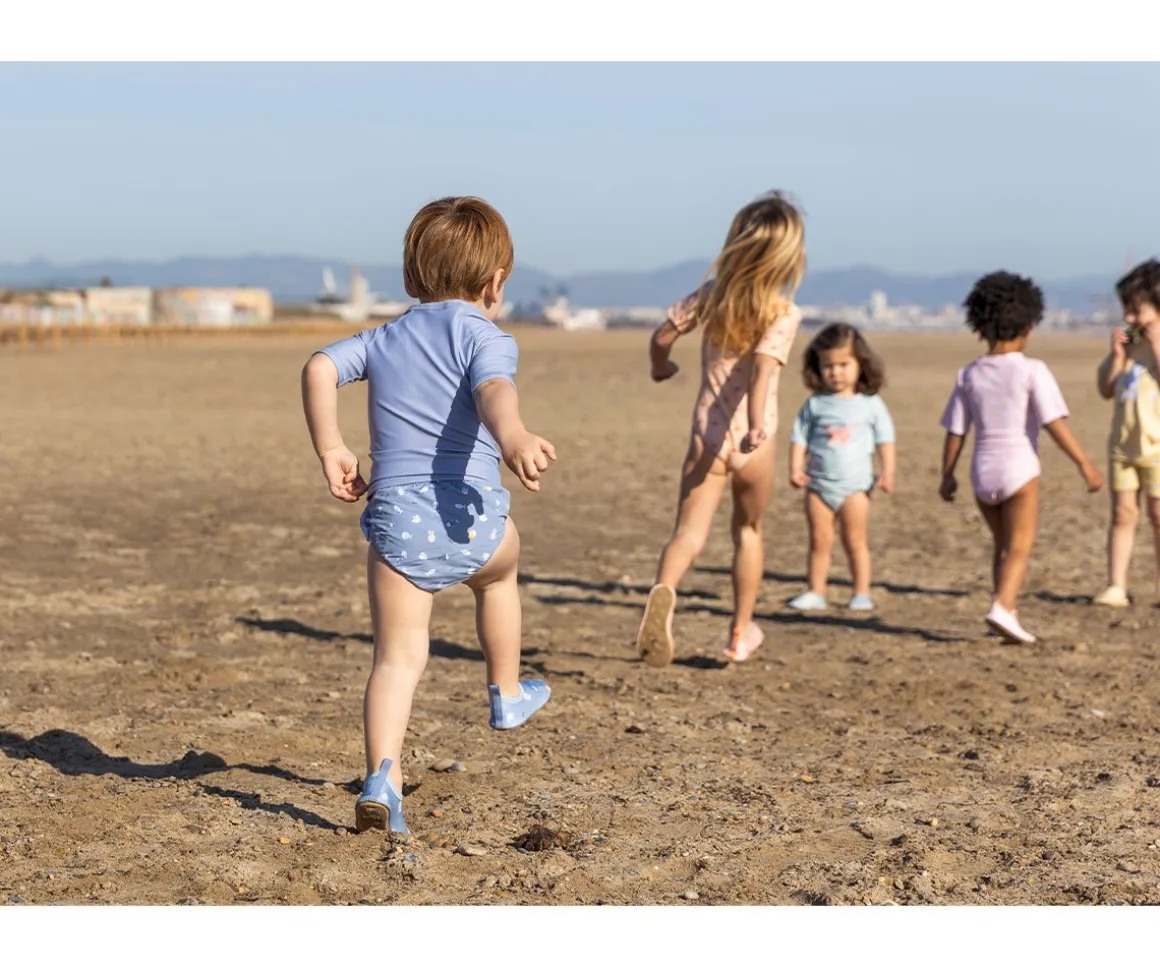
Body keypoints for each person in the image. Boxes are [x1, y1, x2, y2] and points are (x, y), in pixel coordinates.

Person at [300, 196, 555, 835]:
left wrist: (332, 448)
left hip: (398, 526)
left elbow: (320, 366)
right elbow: (493, 391)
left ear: (411, 279)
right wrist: (514, 436)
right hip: (473, 522)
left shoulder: (383, 338)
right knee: (499, 578)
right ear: (496, 283)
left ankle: (382, 780)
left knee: (395, 659)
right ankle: (506, 692)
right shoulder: (485, 336)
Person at [637, 191, 806, 666]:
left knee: (688, 534)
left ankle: (664, 591)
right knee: (748, 531)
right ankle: (739, 632)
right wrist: (754, 428)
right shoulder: (783, 312)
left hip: (706, 437)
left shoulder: (712, 296)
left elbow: (662, 336)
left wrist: (660, 366)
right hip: (755, 443)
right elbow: (763, 372)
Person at [938, 271, 1104, 643]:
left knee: (1002, 544)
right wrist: (1084, 464)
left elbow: (956, 430)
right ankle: (1002, 606)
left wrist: (947, 474)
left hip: (982, 472)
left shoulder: (968, 374)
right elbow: (1053, 422)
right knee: (1020, 546)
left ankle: (1004, 610)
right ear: (1029, 325)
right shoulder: (1032, 370)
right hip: (1019, 468)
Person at [787, 324, 896, 612]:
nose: (836, 372)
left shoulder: (870, 403)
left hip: (855, 488)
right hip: (818, 486)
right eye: (828, 366)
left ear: (861, 364)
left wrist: (888, 472)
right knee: (819, 541)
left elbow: (885, 439)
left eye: (844, 364)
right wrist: (796, 468)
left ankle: (861, 592)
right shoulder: (814, 404)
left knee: (855, 541)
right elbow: (799, 437)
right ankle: (816, 591)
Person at [1093, 259, 1160, 608]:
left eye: (1137, 310)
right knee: (1122, 515)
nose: (1129, 318)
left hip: (1157, 449)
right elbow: (1105, 389)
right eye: (1126, 310)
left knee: (1159, 517)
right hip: (1123, 449)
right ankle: (1116, 585)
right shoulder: (1131, 350)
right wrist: (1117, 356)